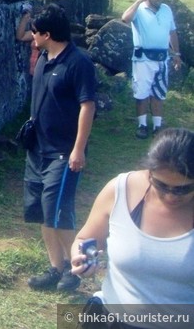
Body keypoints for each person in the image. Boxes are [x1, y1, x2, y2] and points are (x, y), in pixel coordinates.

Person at [70, 128, 194, 327]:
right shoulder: (120, 190)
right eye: (161, 186)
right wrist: (82, 258)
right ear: (149, 172)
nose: (171, 196)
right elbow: (85, 238)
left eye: (183, 189)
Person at [23, 3, 98, 292]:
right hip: (37, 150)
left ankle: (85, 269)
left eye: (35, 32)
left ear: (47, 33)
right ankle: (57, 267)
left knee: (59, 211)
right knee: (43, 212)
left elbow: (87, 106)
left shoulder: (79, 63)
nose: (32, 37)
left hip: (64, 152)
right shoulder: (43, 57)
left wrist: (79, 149)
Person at [120, 0, 183, 139]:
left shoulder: (166, 10)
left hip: (162, 58)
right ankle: (142, 125)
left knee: (159, 93)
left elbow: (172, 32)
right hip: (143, 59)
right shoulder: (139, 10)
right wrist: (138, 1)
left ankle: (157, 125)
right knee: (141, 93)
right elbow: (125, 19)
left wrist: (176, 54)